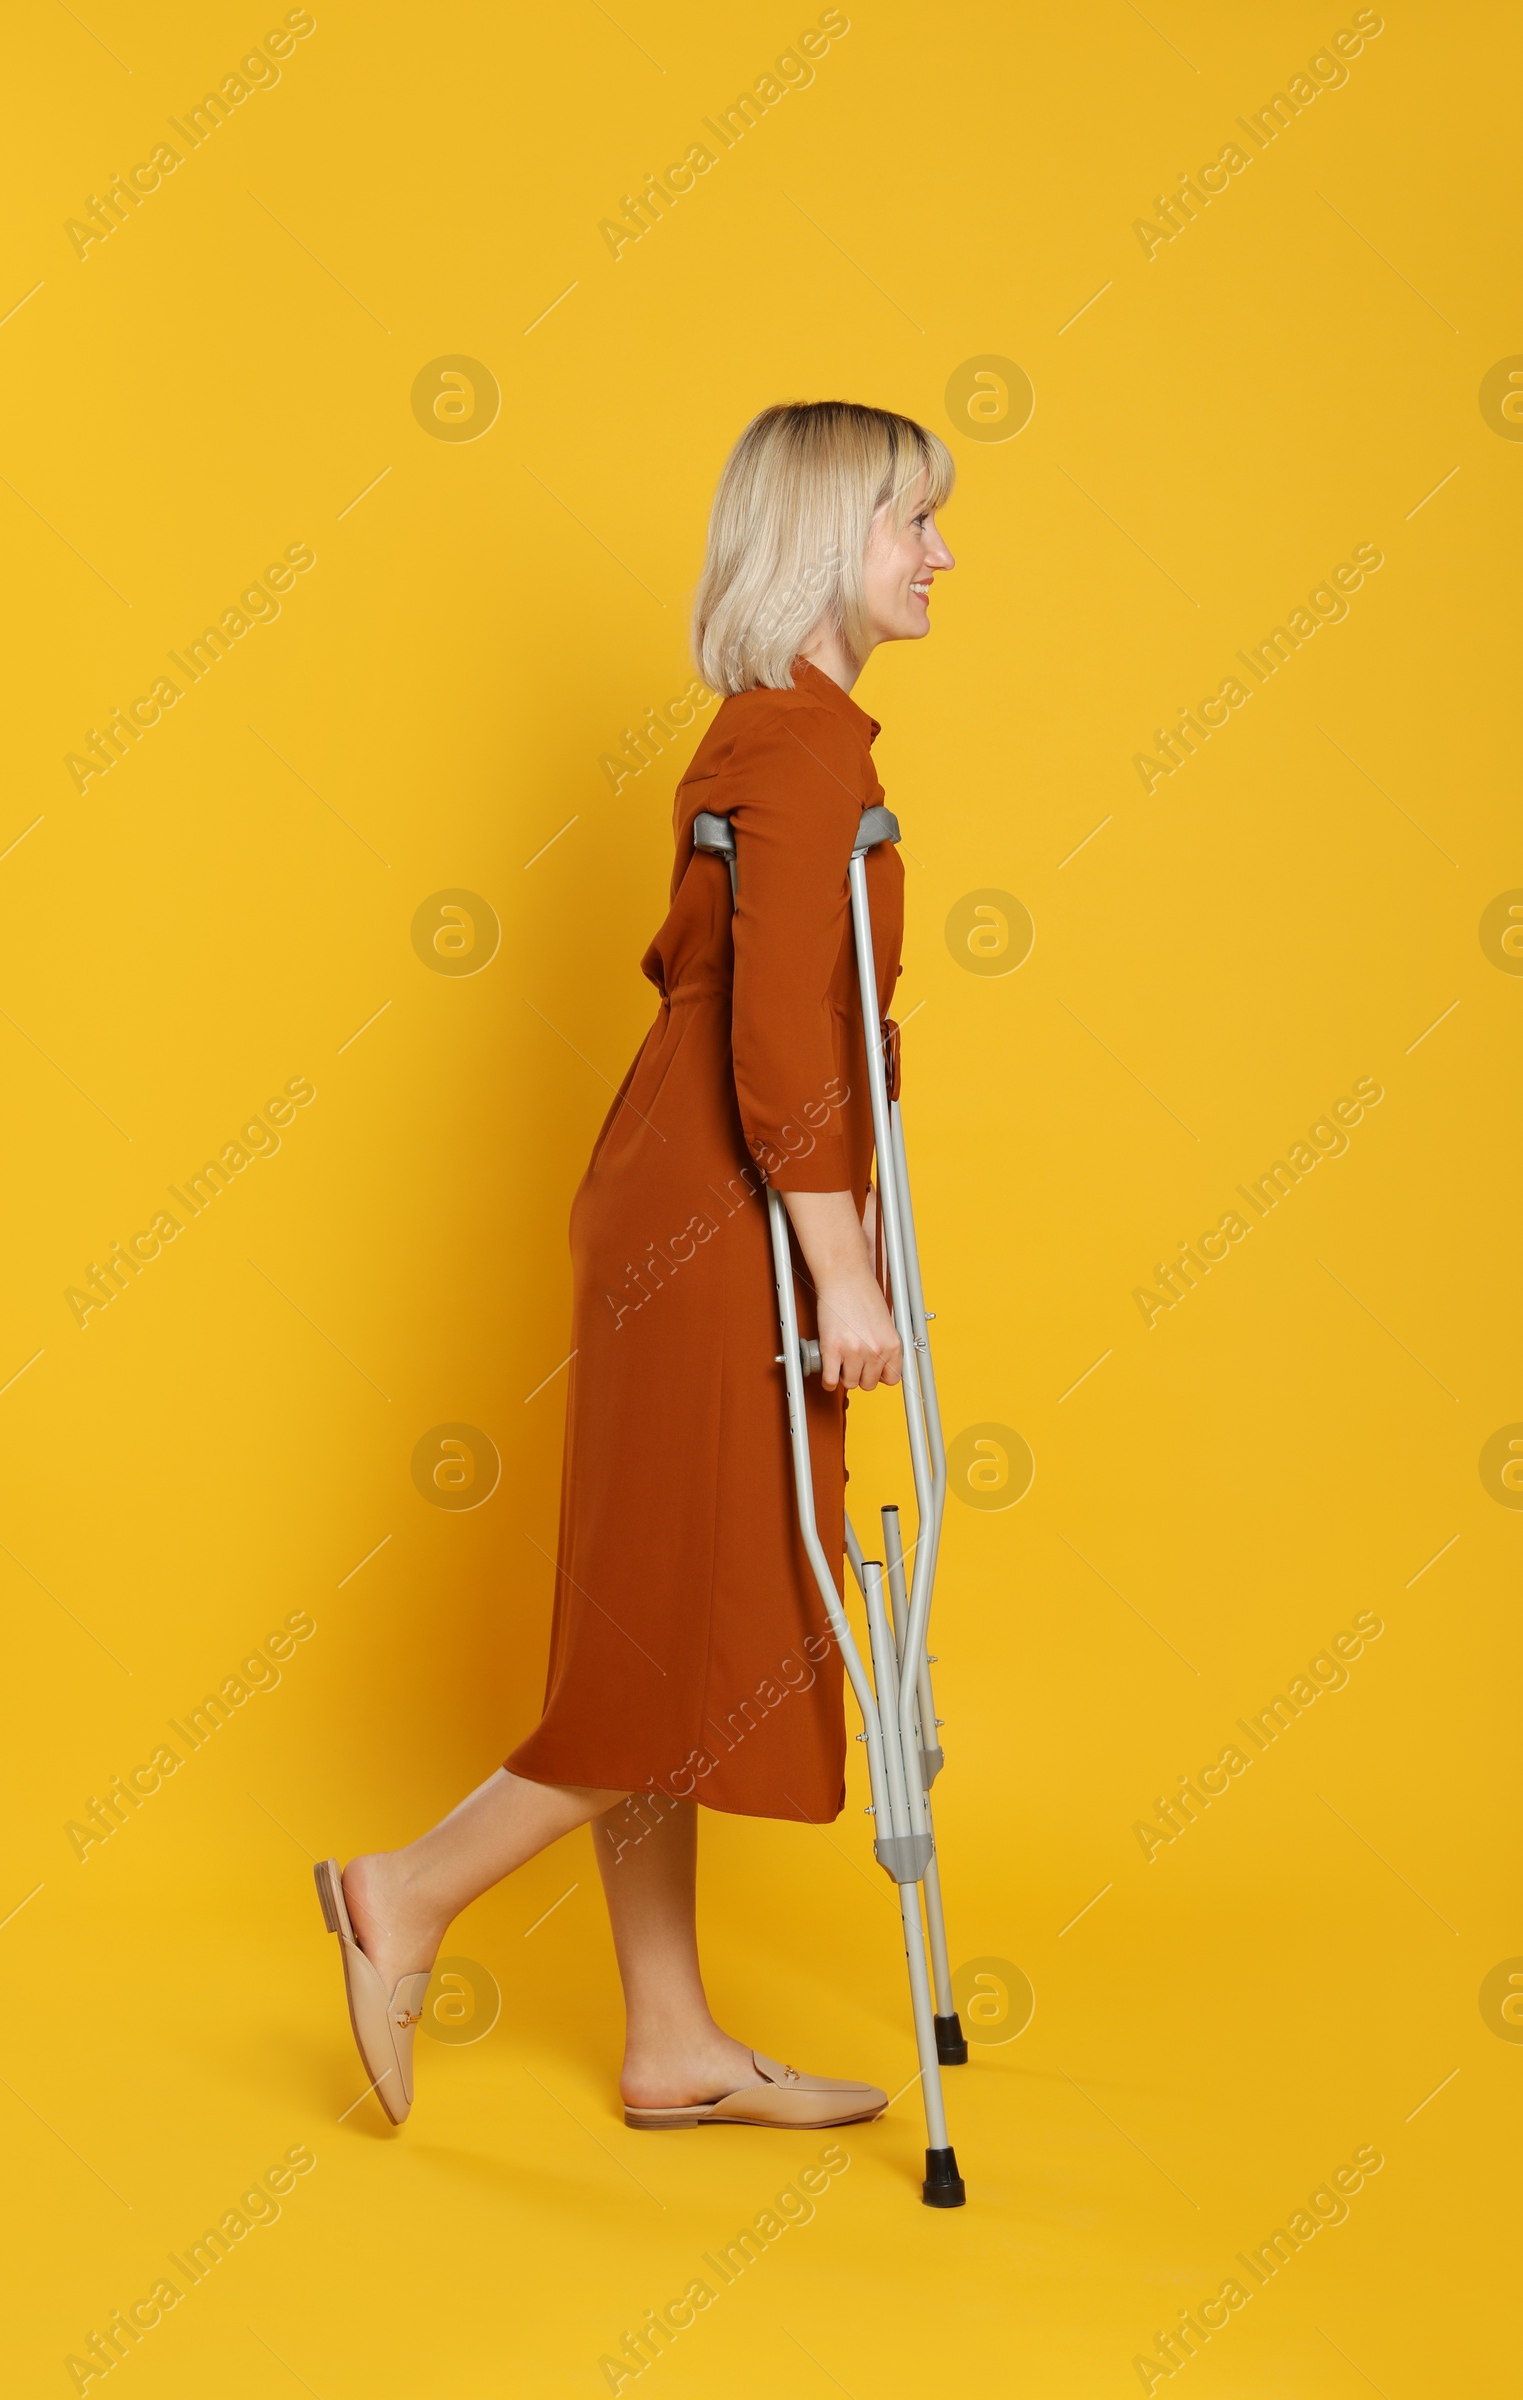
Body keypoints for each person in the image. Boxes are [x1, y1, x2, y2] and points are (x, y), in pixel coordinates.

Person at [315, 399, 956, 2133]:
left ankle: (668, 2038)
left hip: (686, 1188)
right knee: (683, 1623)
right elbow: (775, 1045)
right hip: (728, 1210)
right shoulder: (803, 752)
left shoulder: (773, 733)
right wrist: (838, 1271)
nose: (940, 554)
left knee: (664, 1610)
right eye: (913, 521)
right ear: (832, 536)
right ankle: (409, 1893)